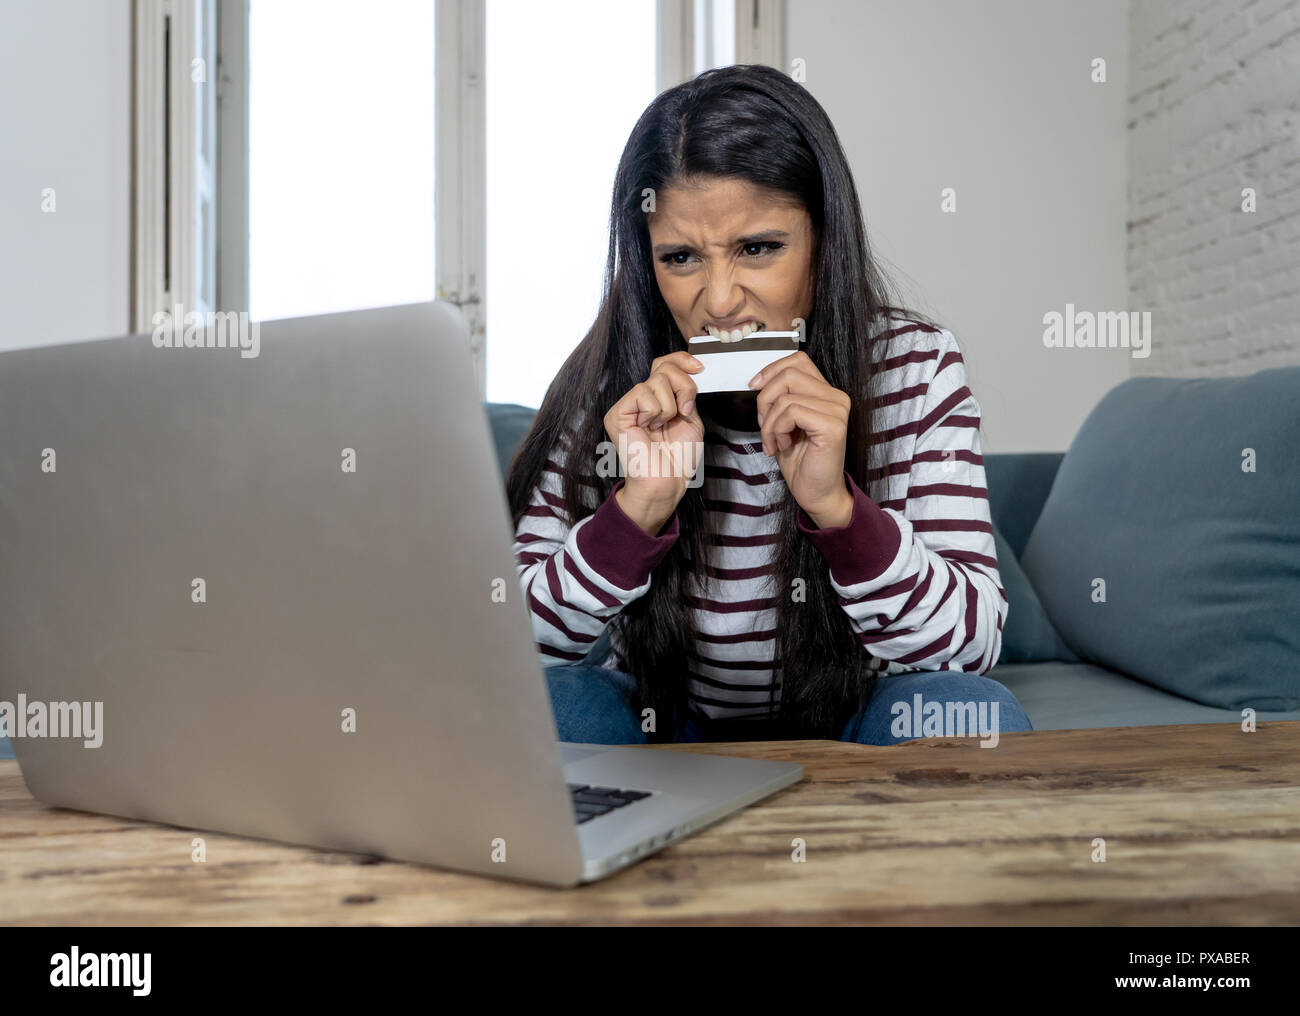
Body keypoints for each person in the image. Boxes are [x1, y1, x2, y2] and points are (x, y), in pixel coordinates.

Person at [505, 64, 1031, 747]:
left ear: (823, 239)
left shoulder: (916, 363)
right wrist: (636, 512)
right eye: (681, 258)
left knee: (973, 712)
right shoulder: (610, 386)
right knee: (544, 708)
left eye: (758, 248)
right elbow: (513, 651)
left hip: (858, 715)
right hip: (667, 722)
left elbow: (971, 645)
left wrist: (838, 513)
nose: (719, 301)